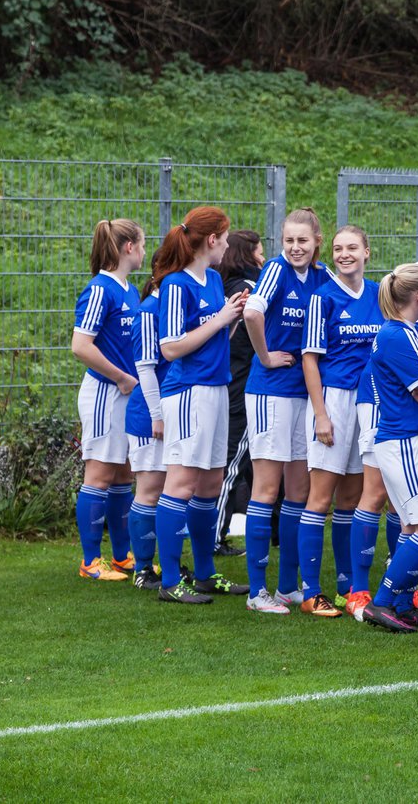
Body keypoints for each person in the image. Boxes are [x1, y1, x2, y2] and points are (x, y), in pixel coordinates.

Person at [154, 206, 250, 603]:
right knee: (181, 483)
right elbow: (172, 346)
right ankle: (170, 580)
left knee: (211, 482)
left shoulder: (212, 279)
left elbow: (211, 342)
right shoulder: (176, 284)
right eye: (225, 238)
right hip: (188, 392)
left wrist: (232, 320)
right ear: (211, 240)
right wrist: (221, 317)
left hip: (215, 388)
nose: (227, 246)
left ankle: (206, 573)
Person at [240, 208, 332, 615]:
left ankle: (287, 587)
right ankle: (256, 593)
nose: (295, 248)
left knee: (299, 491)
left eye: (303, 241)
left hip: (303, 395)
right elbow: (251, 312)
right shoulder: (275, 270)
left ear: (316, 242)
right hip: (270, 393)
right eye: (289, 241)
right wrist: (264, 356)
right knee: (266, 489)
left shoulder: (320, 275)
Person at [298, 224, 382, 617]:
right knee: (320, 498)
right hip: (334, 401)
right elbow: (310, 358)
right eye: (337, 248)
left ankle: (351, 586)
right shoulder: (322, 298)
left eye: (352, 247)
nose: (344, 254)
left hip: (370, 403)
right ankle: (311, 591)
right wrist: (320, 414)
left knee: (352, 497)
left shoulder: (381, 294)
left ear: (367, 251)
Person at [361, 264, 418, 633]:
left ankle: (401, 602)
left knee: (414, 525)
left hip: (412, 438)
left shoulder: (412, 332)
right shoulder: (398, 335)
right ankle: (380, 602)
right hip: (406, 440)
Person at [71, 218, 146, 581]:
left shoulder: (128, 289)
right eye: (143, 244)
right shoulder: (101, 289)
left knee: (122, 474)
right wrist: (119, 377)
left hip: (124, 393)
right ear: (129, 248)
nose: (145, 252)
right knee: (99, 473)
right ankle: (90, 561)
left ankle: (121, 556)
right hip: (105, 392)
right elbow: (80, 346)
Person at [213, 229, 264, 556]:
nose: (263, 257)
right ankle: (213, 536)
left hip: (230, 385)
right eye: (259, 251)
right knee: (231, 464)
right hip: (241, 388)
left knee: (230, 462)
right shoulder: (246, 292)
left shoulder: (228, 287)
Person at [125, 252, 170, 591]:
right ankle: (142, 569)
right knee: (150, 489)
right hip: (149, 417)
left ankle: (164, 562)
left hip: (174, 412)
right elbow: (146, 370)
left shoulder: (172, 308)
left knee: (172, 490)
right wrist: (157, 414)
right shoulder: (148, 312)